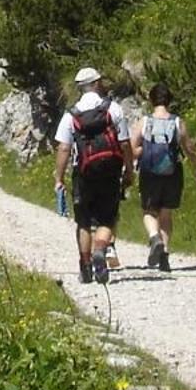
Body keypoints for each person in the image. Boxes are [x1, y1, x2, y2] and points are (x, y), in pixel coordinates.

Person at [53, 65, 132, 284]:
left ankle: (86, 267)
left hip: (83, 173)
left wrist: (58, 178)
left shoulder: (71, 115)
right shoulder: (113, 109)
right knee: (107, 218)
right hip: (110, 171)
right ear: (97, 84)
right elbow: (125, 144)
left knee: (84, 222)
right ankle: (100, 250)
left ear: (80, 88)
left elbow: (63, 148)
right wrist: (129, 171)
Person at [131, 83, 196, 272]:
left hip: (149, 173)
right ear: (169, 100)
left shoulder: (145, 121)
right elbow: (189, 150)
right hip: (172, 172)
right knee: (165, 213)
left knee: (149, 211)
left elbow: (132, 148)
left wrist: (144, 151)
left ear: (151, 100)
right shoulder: (177, 122)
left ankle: (154, 237)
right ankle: (164, 255)